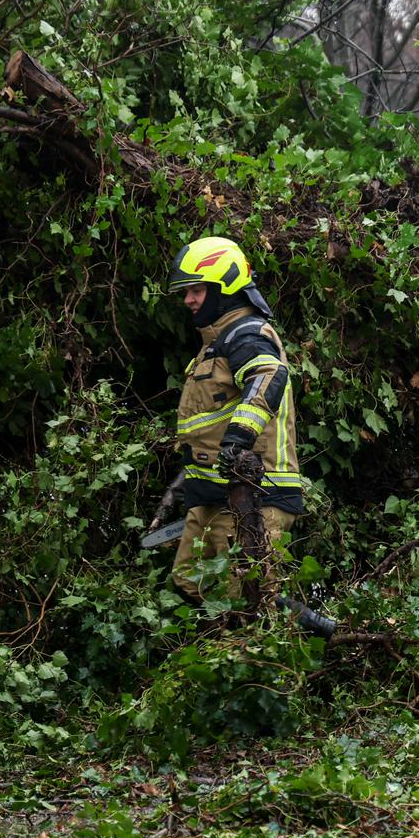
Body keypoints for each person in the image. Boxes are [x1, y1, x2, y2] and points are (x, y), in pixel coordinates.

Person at [149, 236, 303, 601]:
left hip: (254, 497)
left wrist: (237, 441)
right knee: (189, 584)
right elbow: (209, 424)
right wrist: (184, 482)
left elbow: (269, 376)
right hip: (212, 495)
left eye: (197, 290)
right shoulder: (214, 345)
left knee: (246, 601)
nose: (188, 300)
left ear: (225, 286)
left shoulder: (247, 334)